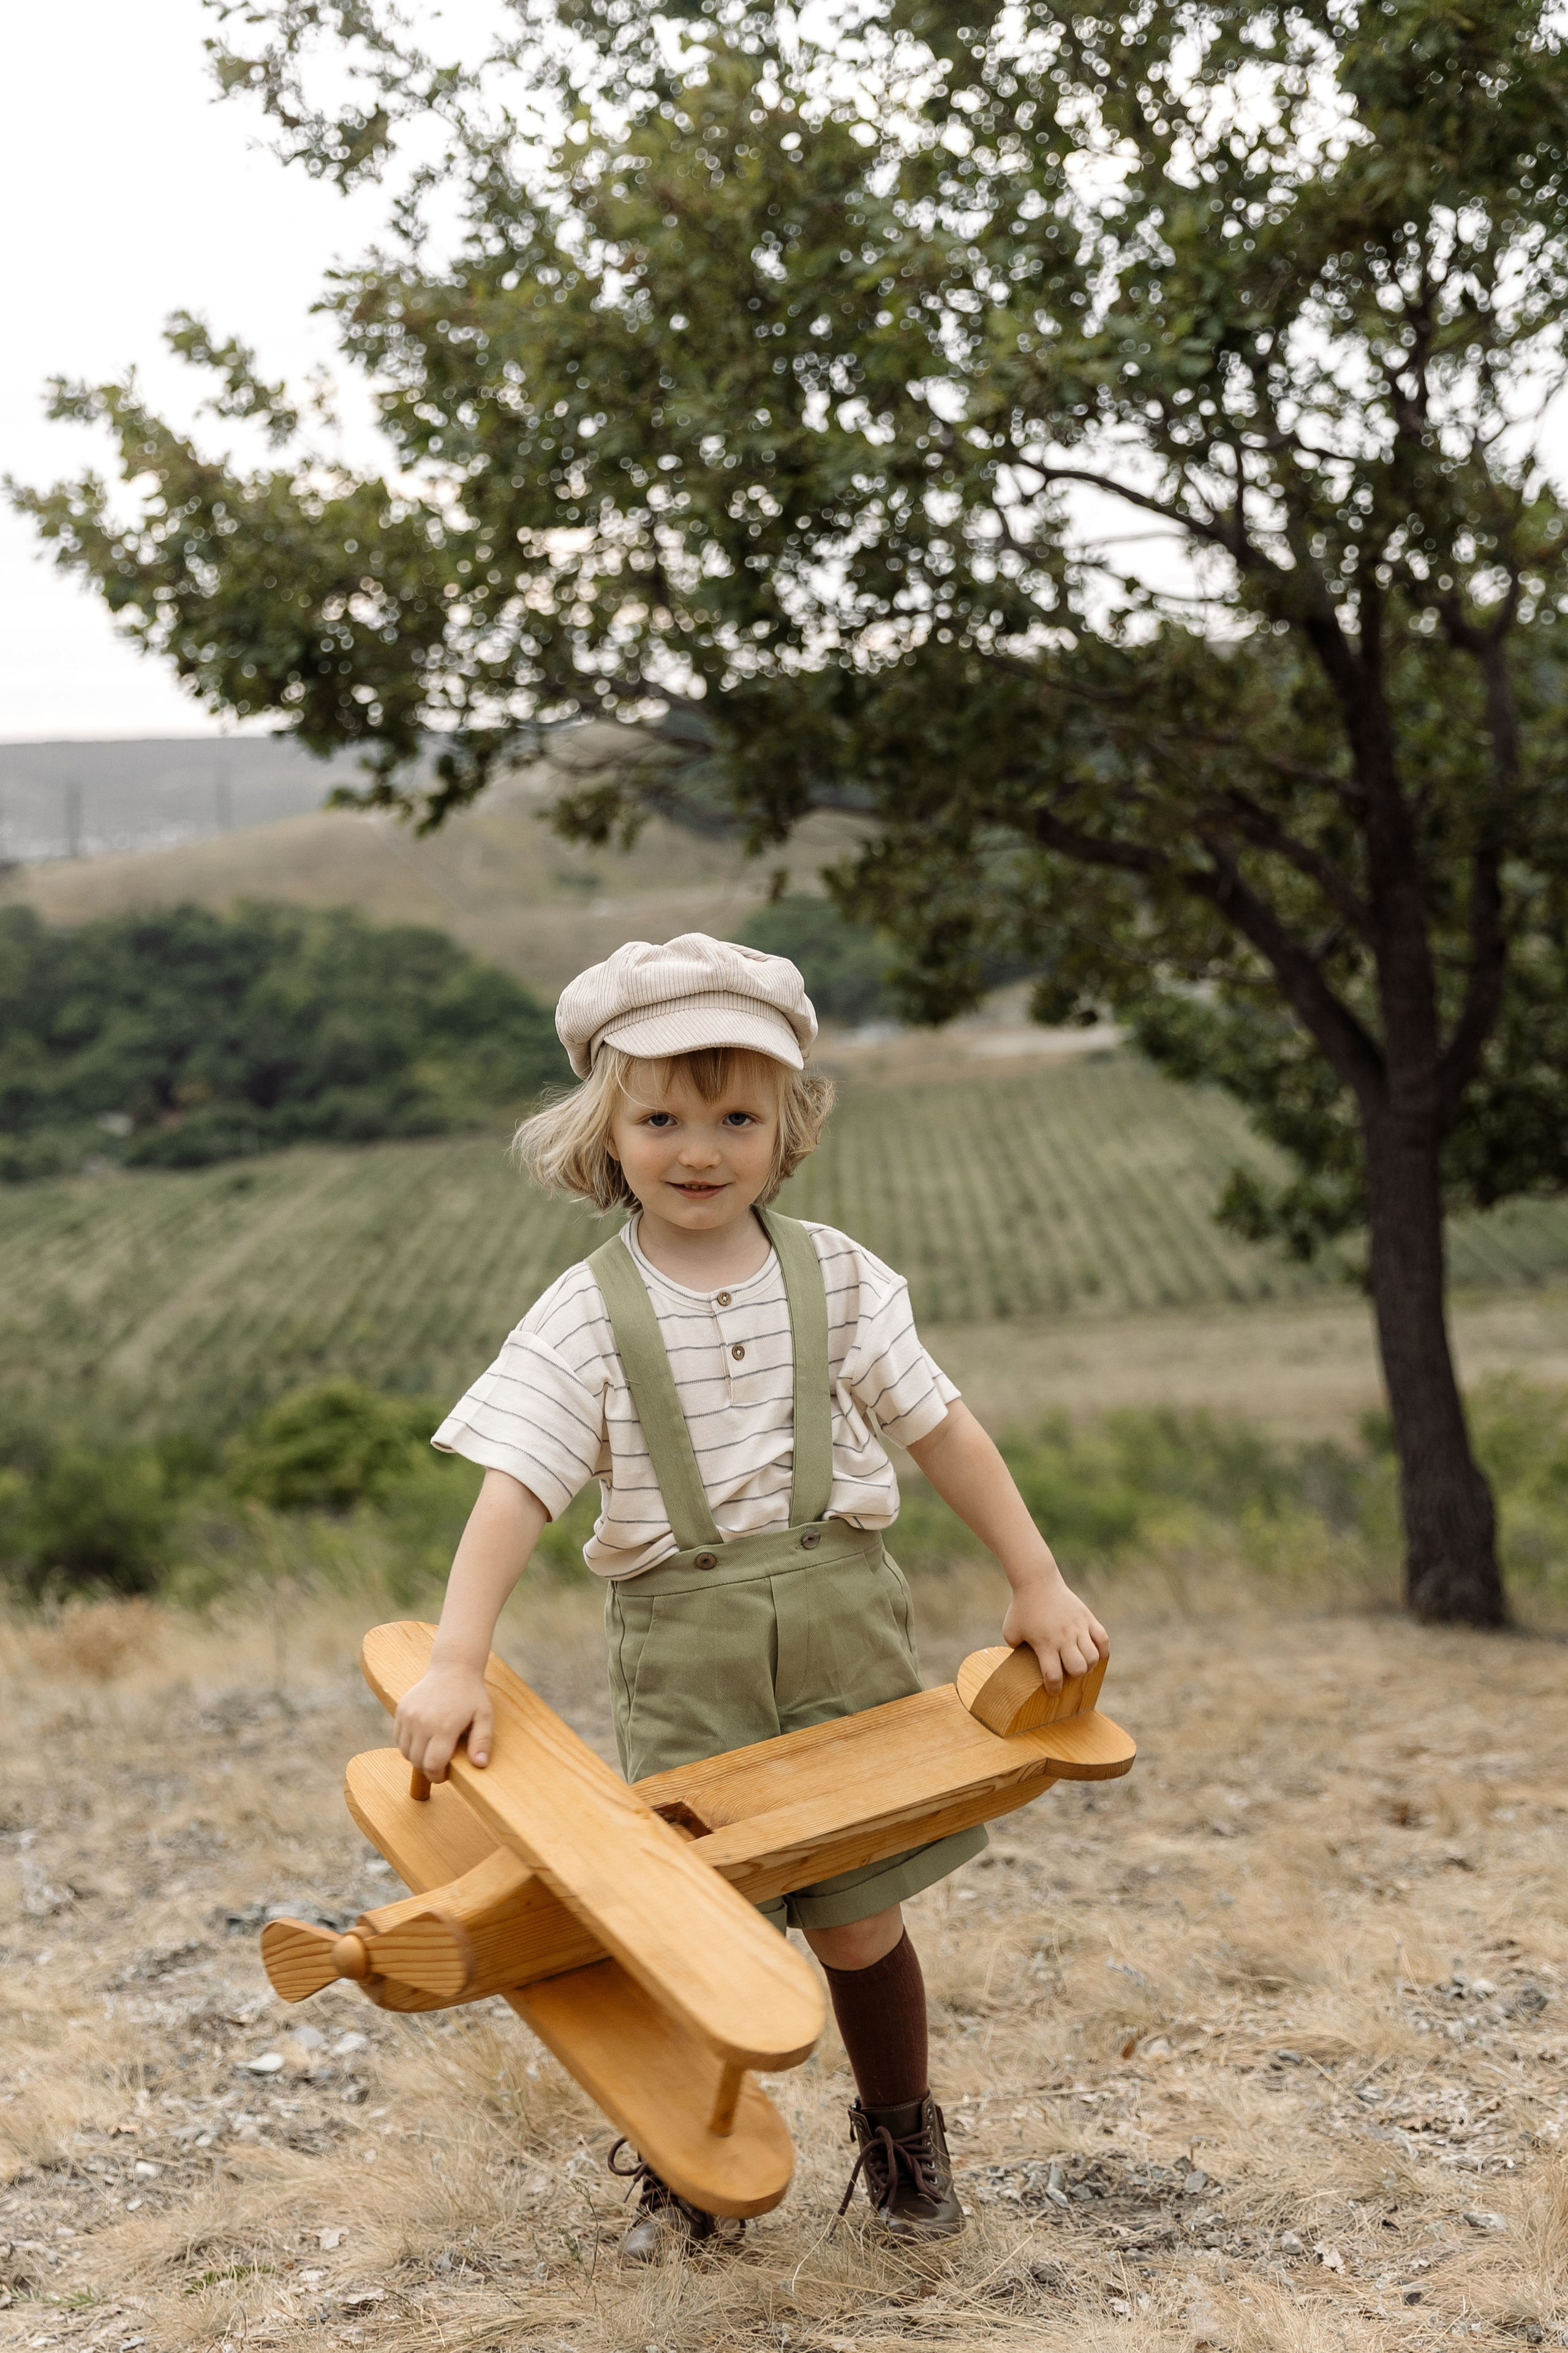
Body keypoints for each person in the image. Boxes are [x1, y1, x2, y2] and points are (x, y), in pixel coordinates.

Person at [393, 933, 1108, 2257]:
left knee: (856, 1914)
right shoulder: (583, 1315)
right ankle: (690, 2162)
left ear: (790, 1126)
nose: (699, 1147)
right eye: (660, 1116)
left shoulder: (837, 1278)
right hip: (688, 1642)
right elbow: (515, 1495)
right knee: (686, 1916)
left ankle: (901, 2139)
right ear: (607, 1132)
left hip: (844, 1617)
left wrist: (1035, 1576)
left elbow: (942, 1427)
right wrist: (453, 1658)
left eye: (736, 1114)